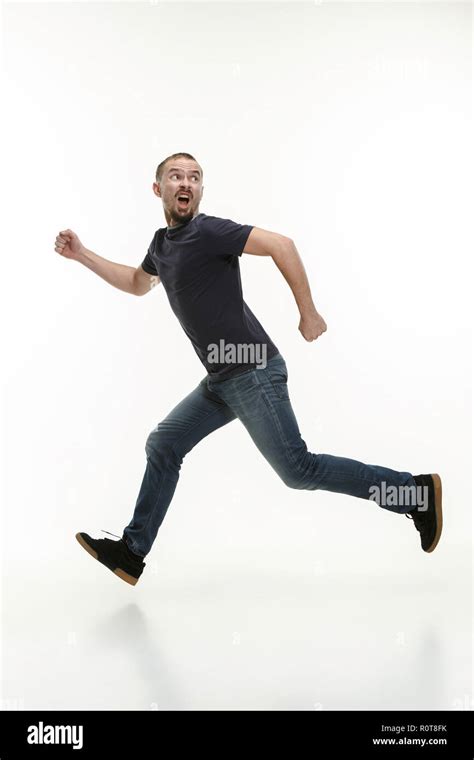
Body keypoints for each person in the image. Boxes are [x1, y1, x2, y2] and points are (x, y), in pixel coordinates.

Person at [54, 152, 442, 586]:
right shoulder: (162, 246)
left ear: (200, 190)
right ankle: (132, 551)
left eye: (195, 177)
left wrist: (308, 312)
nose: (186, 183)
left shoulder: (209, 231)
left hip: (252, 370)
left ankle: (414, 494)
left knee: (299, 470)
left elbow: (282, 245)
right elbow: (136, 284)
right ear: (157, 188)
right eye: (176, 176)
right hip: (222, 378)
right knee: (164, 444)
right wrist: (82, 254)